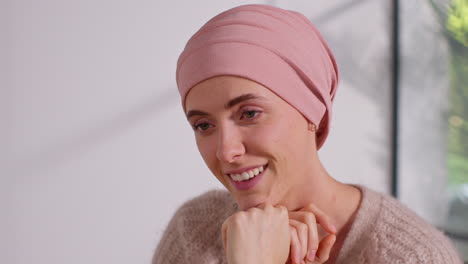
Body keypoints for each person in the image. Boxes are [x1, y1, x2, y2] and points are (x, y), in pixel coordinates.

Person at [153, 4, 462, 264]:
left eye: (249, 114)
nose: (226, 151)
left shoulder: (414, 257)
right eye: (204, 125)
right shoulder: (193, 230)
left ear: (311, 113)